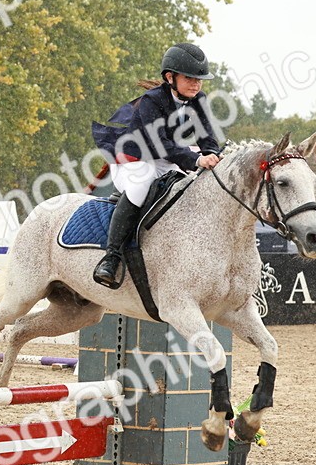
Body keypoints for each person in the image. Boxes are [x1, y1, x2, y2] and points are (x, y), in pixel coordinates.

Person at [91, 42, 224, 288]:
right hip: (132, 160)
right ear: (170, 77)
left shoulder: (199, 99)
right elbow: (159, 143)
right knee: (141, 186)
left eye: (200, 79)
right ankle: (111, 257)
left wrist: (213, 154)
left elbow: (206, 135)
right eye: (190, 78)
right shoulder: (152, 100)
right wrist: (195, 159)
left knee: (187, 187)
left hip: (164, 159)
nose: (196, 84)